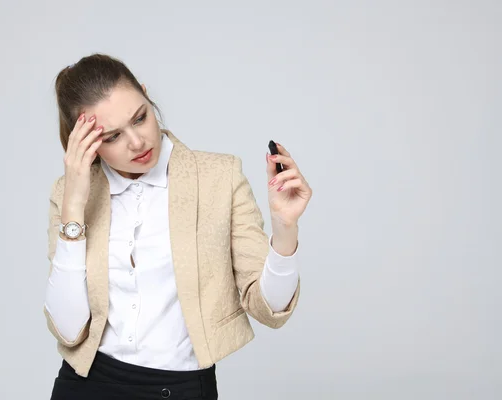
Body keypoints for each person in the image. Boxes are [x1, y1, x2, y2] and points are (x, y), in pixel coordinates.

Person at [44, 53, 313, 400]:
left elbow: (270, 309)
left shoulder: (219, 178)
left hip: (179, 388)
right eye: (112, 137)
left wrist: (285, 227)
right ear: (89, 145)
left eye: (140, 118)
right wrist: (73, 208)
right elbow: (68, 329)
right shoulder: (68, 197)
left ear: (146, 94)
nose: (137, 142)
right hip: (84, 385)